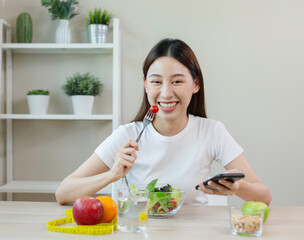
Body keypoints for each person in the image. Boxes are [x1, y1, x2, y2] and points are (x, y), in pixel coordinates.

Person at [55, 38, 272, 206]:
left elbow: (264, 196)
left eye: (177, 81)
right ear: (146, 84)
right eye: (156, 81)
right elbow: (63, 193)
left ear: (195, 84)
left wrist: (237, 188)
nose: (166, 93)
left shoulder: (212, 132)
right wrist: (112, 175)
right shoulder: (128, 135)